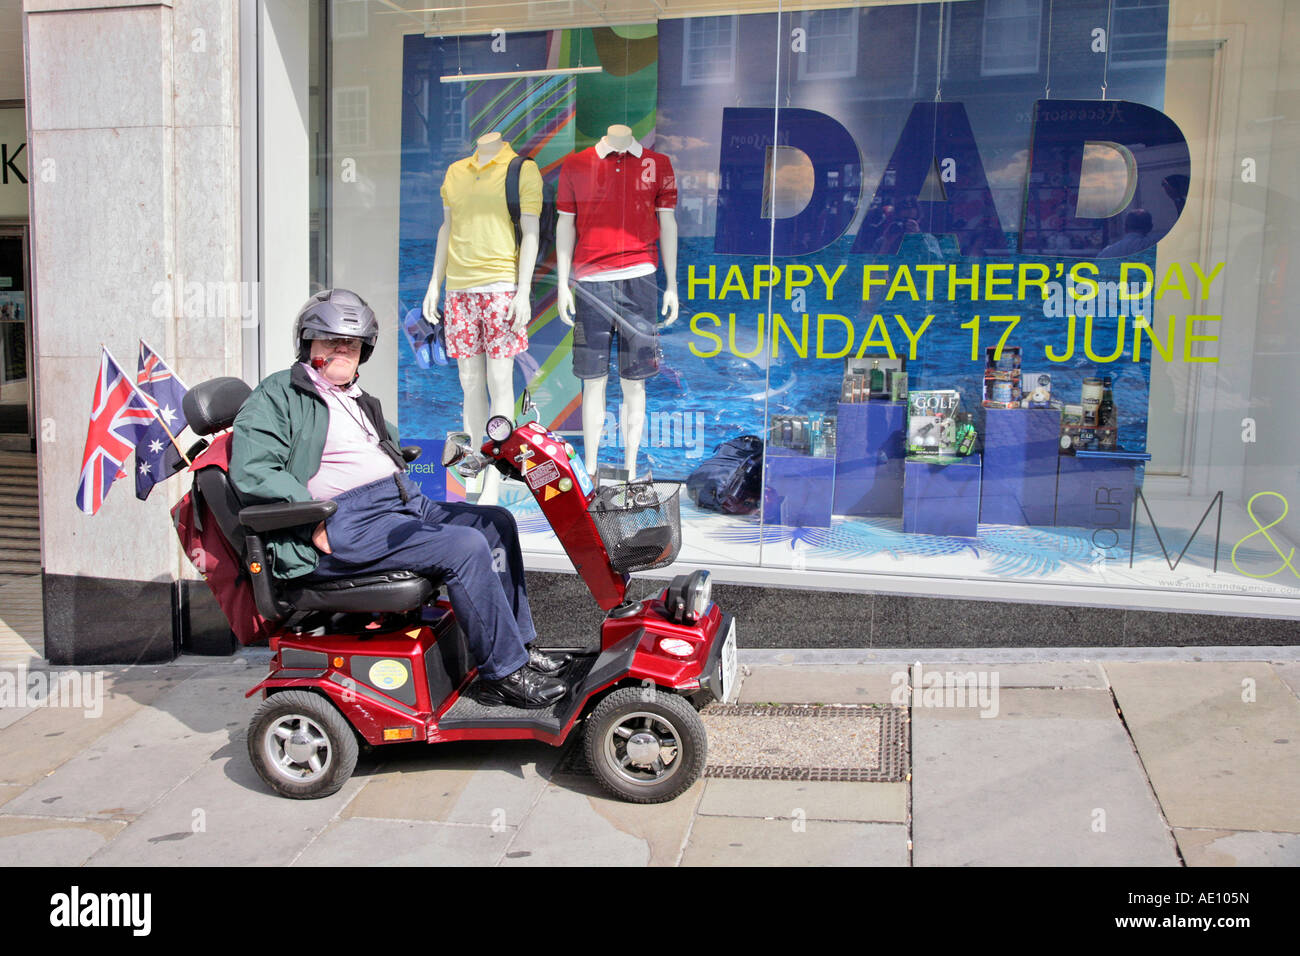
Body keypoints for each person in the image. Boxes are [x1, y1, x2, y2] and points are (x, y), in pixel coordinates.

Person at [229, 288, 568, 709]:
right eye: (331, 341)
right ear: (307, 343)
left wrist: (483, 456)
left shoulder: (354, 397)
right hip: (347, 521)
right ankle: (503, 674)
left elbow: (388, 449)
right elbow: (253, 470)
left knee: (495, 522)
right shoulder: (279, 394)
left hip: (400, 502)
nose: (343, 350)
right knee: (464, 547)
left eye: (351, 344)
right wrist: (311, 518)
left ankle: (518, 646)